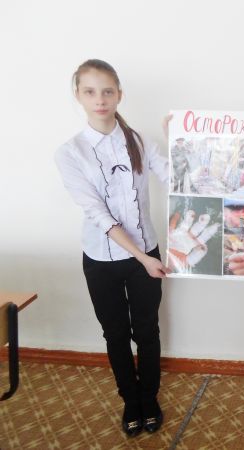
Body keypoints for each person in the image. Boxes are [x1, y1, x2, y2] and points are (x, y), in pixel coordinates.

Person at [55, 59, 170, 437]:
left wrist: (180, 140)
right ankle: (130, 401)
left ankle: (149, 398)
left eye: (107, 91)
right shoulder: (70, 152)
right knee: (116, 333)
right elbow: (98, 214)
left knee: (147, 331)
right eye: (90, 91)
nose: (100, 99)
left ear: (119, 94)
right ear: (78, 95)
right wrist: (142, 258)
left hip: (146, 254)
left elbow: (179, 180)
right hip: (102, 260)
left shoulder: (140, 141)